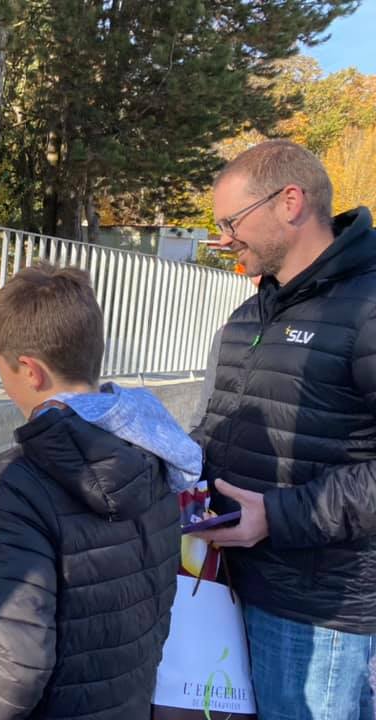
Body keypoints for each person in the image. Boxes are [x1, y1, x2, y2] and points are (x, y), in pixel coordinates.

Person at [0, 263, 197, 719]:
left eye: (0, 369)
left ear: (30, 371)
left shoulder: (21, 481)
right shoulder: (156, 448)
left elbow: (11, 667)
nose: (3, 384)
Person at [190, 139, 376, 720]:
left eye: (232, 221)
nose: (225, 238)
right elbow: (217, 430)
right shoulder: (250, 312)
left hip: (316, 611)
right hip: (234, 583)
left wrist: (277, 516)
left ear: (290, 202)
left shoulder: (368, 305)